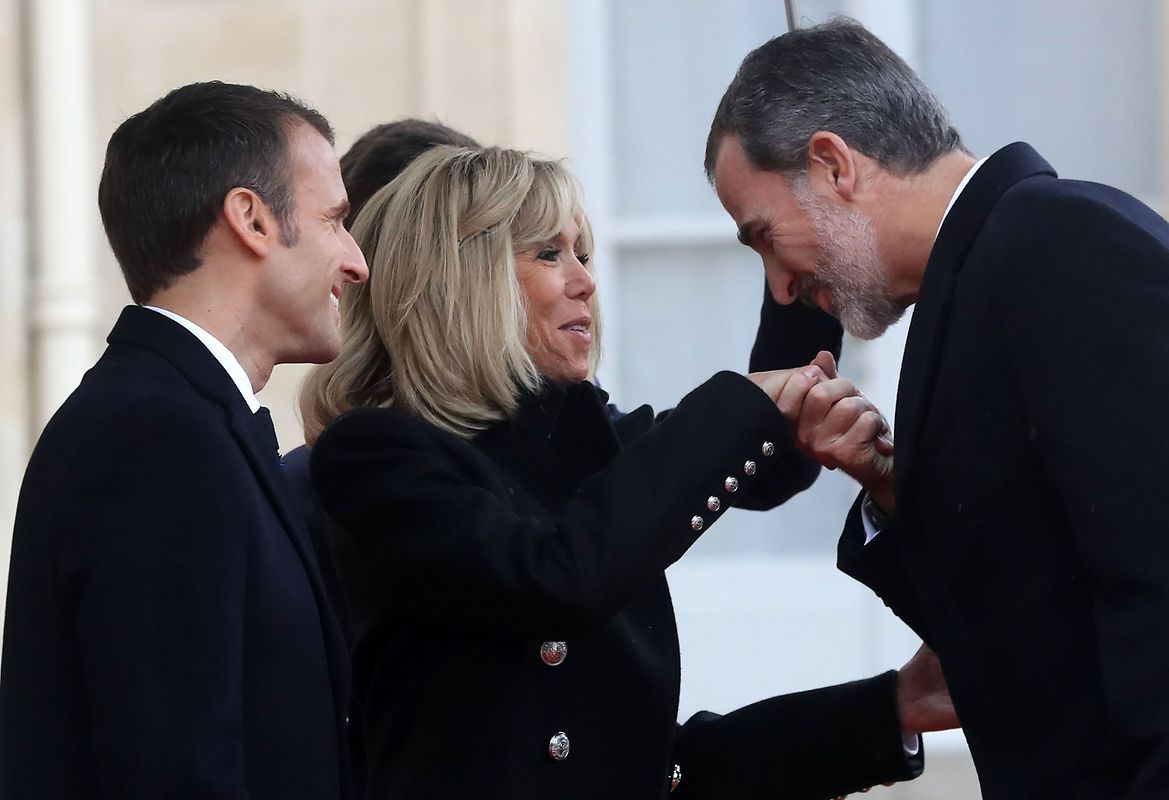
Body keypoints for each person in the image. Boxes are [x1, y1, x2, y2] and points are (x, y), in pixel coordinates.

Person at [301, 144, 953, 799]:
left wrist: (896, 706)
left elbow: (657, 773)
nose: (585, 282)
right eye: (549, 254)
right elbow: (557, 580)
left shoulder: (588, 444)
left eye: (582, 254)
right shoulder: (374, 457)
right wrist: (747, 403)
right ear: (459, 281)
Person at [707, 17, 1169, 798]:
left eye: (762, 236)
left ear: (832, 165)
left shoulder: (1058, 241)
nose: (779, 286)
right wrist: (888, 486)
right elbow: (1008, 632)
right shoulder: (974, 280)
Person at [0, 81, 369, 799]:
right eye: (334, 220)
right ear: (251, 219)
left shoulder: (180, 419)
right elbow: (174, 768)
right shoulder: (157, 436)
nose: (357, 262)